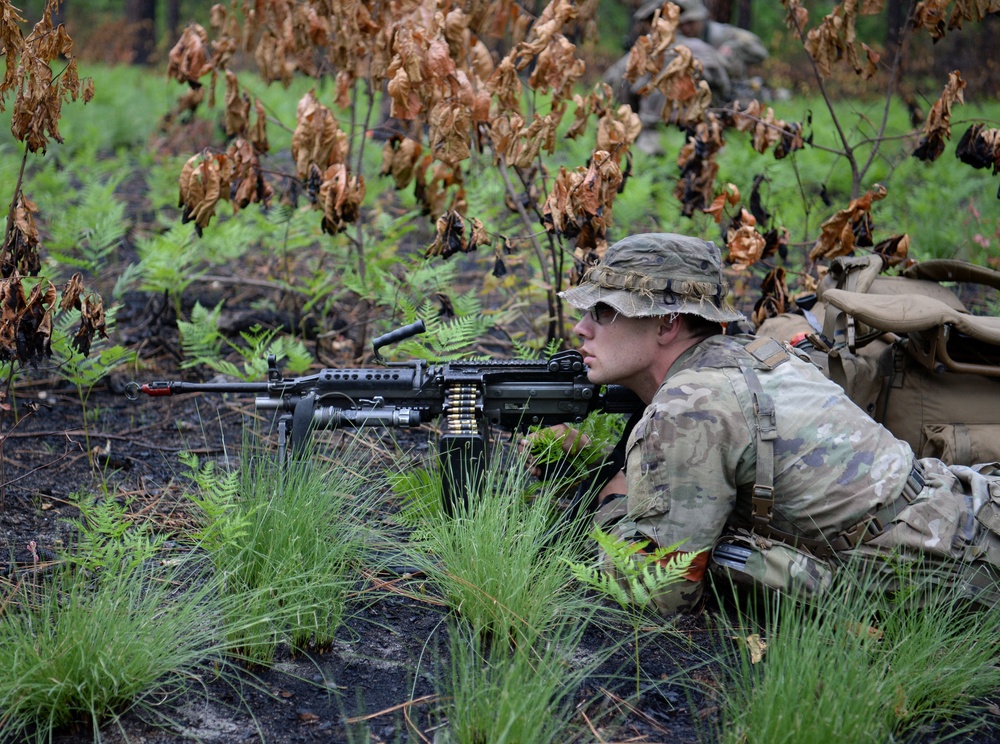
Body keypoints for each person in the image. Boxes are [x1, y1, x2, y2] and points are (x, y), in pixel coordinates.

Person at [546, 232, 1000, 614]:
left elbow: (659, 589)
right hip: (958, 515)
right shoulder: (752, 352)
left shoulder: (691, 406)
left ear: (667, 322)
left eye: (604, 312)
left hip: (941, 566)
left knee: (732, 559)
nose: (582, 328)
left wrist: (614, 501)